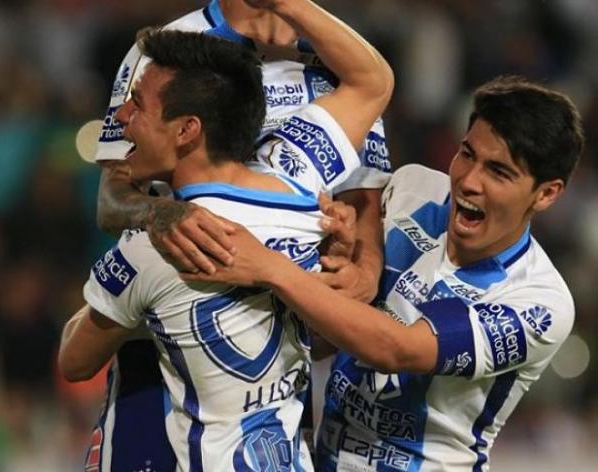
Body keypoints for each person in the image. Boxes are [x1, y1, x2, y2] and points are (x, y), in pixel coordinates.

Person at [182, 75, 585, 470]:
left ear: (546, 193)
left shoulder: (540, 301)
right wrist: (337, 261)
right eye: (467, 153)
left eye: (498, 172)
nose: (469, 181)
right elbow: (323, 340)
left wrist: (274, 269)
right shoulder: (412, 189)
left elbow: (398, 349)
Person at [59, 0, 394, 470]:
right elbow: (113, 195)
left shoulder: (334, 51)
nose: (126, 118)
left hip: (271, 334)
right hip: (156, 341)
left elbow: (366, 197)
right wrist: (164, 216)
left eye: (139, 109)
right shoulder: (172, 50)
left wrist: (366, 270)